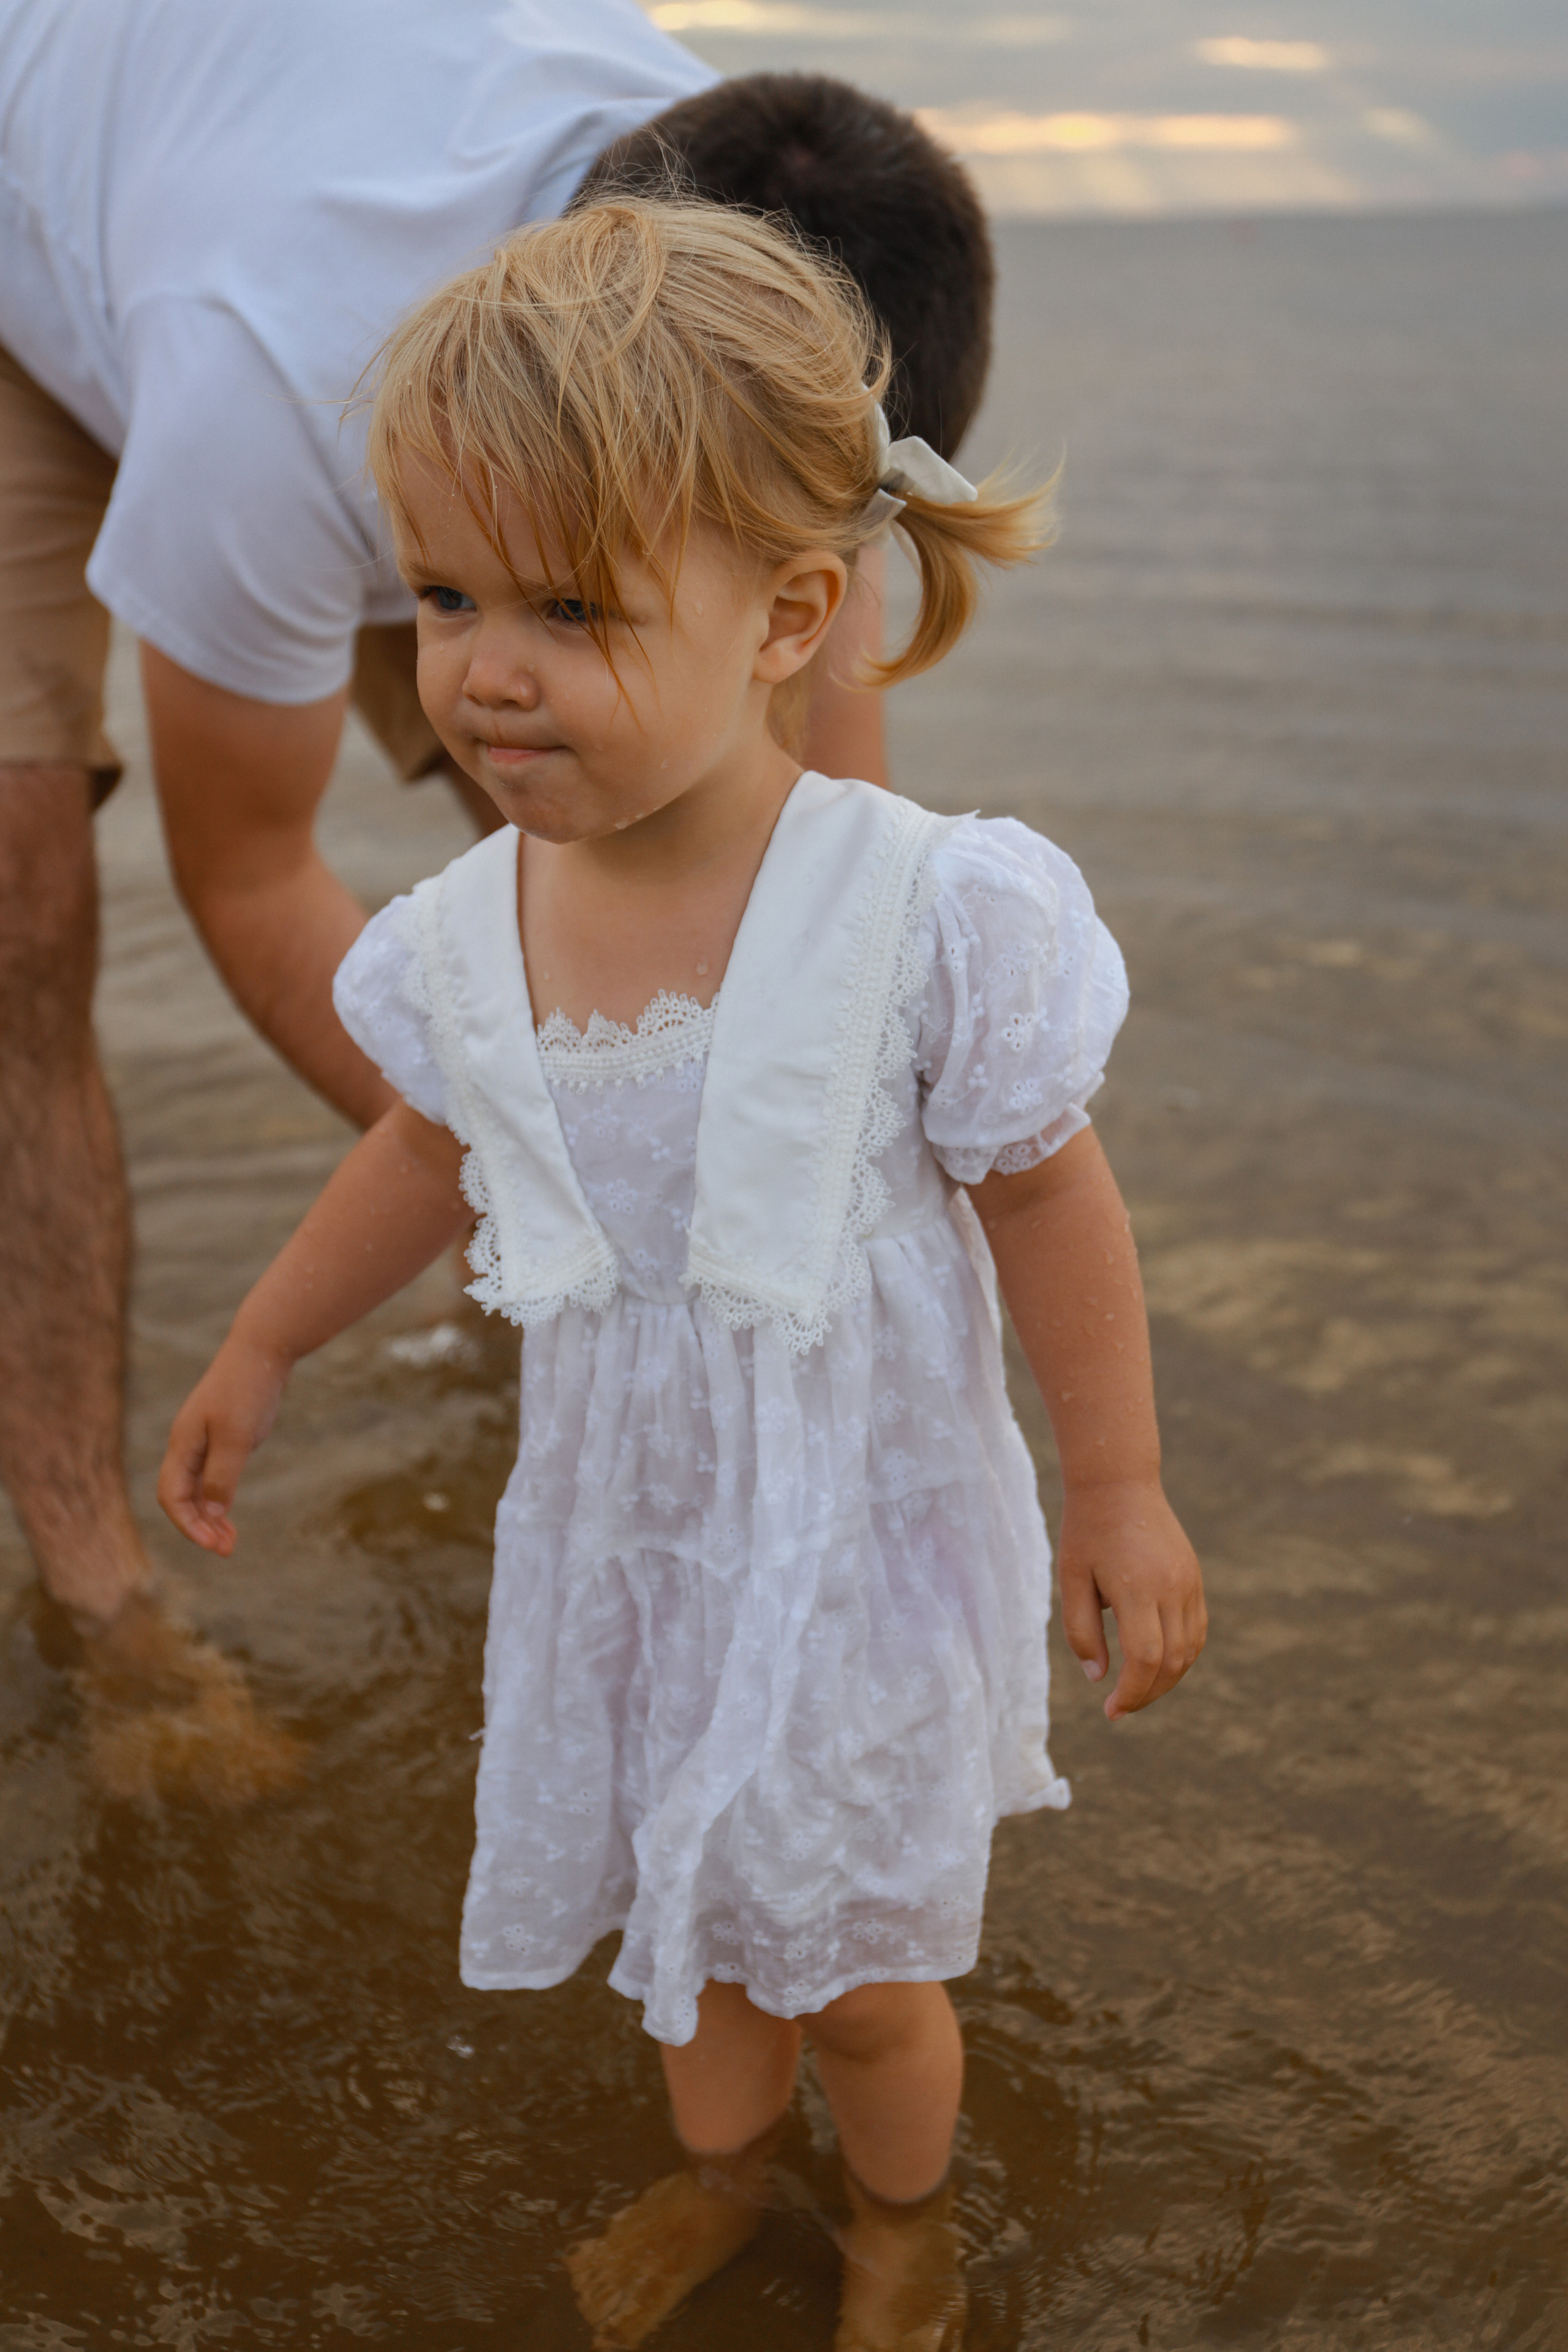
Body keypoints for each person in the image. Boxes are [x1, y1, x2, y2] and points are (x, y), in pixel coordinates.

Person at [156, 196, 1206, 2347]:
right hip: (628, 1528)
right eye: (443, 595)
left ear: (790, 613)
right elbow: (429, 1146)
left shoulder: (923, 907)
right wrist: (261, 1341)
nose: (482, 668)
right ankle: (724, 2179)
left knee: (860, 1964)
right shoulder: (468, 931)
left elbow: (1046, 1197)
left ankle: (902, 2224)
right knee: (688, 1923)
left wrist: (1119, 1490)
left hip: (865, 1527)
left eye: (567, 604)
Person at [0, 0, 993, 1790]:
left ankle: (533, 1327)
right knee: (25, 923)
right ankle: (105, 1607)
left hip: (271, 204)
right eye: (453, 600)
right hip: (60, 235)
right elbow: (245, 872)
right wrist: (579, 1169)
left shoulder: (786, 243)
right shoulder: (270, 389)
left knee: (651, 802)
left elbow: (823, 853)